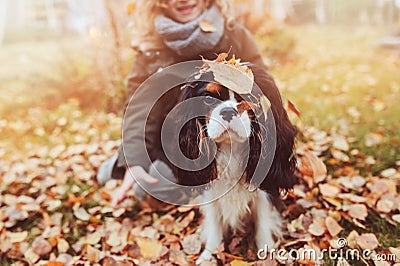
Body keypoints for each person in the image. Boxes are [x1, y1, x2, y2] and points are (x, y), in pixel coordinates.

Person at [97, 0, 268, 206]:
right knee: (142, 183)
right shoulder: (151, 47)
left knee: (154, 185)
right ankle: (118, 166)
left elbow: (264, 93)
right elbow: (139, 109)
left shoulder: (236, 36)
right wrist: (134, 161)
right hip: (173, 145)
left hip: (228, 141)